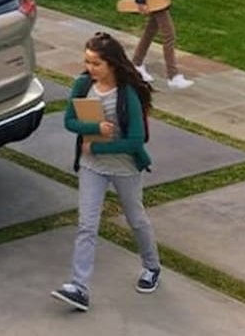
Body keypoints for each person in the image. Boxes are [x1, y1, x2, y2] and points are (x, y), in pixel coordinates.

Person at [51, 32, 162, 312]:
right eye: (87, 61)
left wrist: (99, 148)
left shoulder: (128, 94)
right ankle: (79, 287)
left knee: (136, 219)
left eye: (95, 63)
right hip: (92, 168)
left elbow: (136, 141)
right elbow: (69, 121)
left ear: (112, 64)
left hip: (124, 168)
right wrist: (94, 130)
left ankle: (152, 267)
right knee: (87, 225)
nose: (89, 68)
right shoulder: (82, 84)